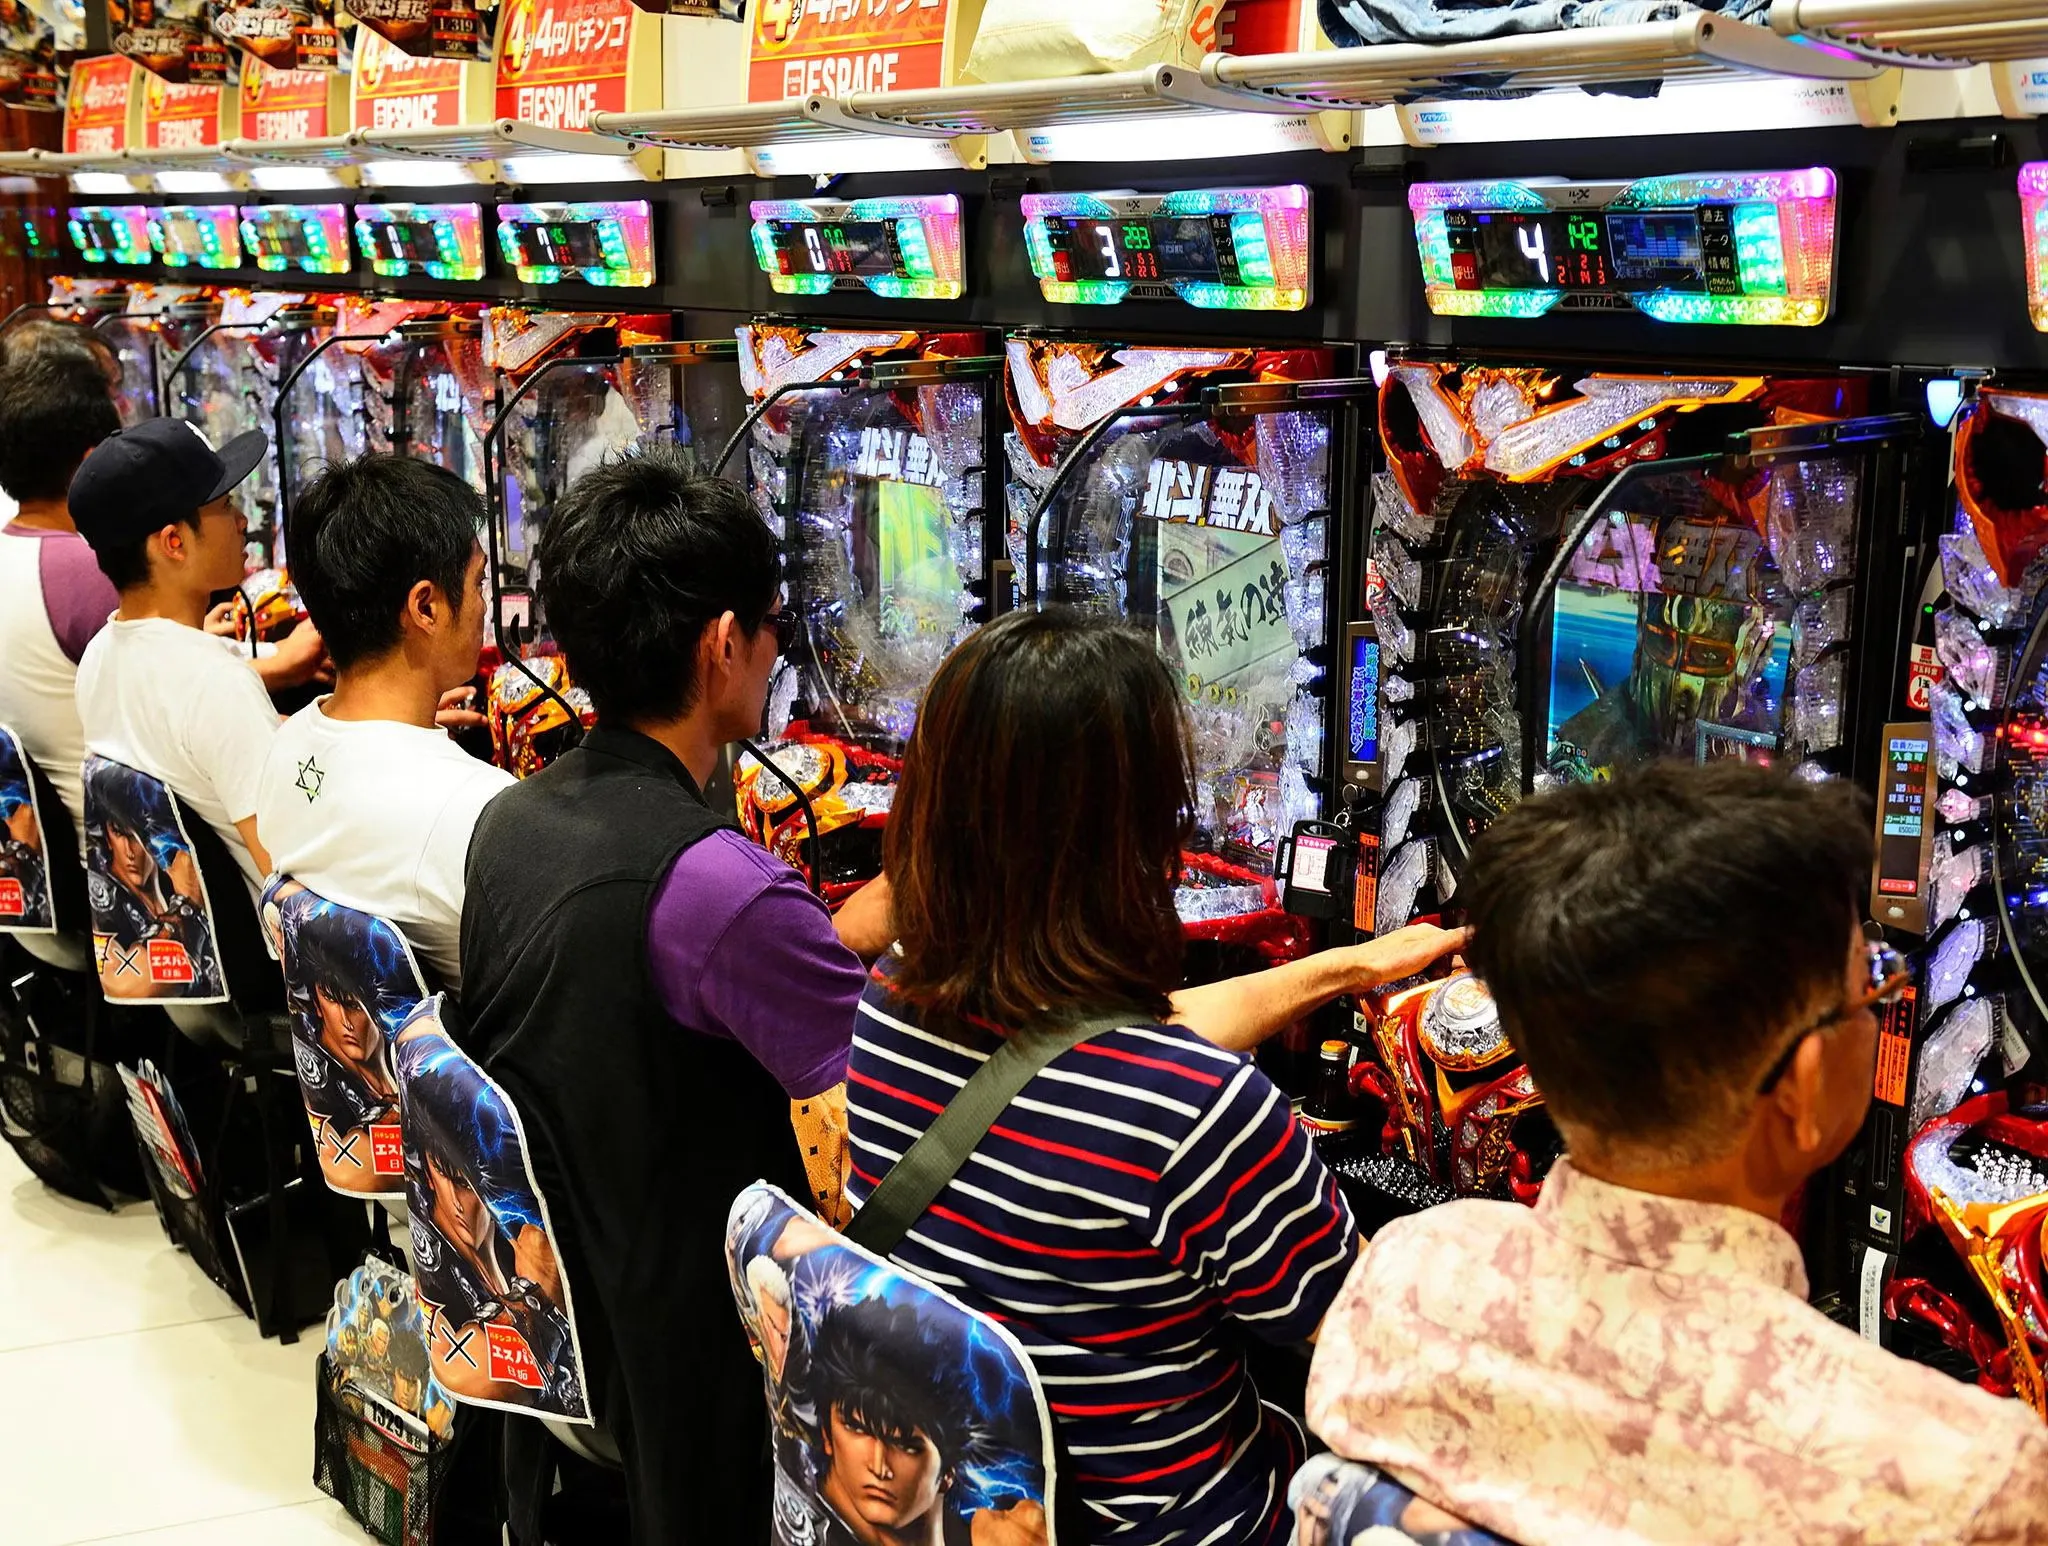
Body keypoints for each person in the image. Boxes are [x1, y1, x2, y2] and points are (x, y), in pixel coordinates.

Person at [1305, 760, 2048, 1545]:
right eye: (1872, 986)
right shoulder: (1966, 1479)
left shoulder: (1404, 1273)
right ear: (1801, 1082)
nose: (1884, 1006)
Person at [848, 607, 1467, 1546]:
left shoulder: (888, 1007)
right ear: (1136, 832)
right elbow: (1379, 1351)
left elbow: (1085, 1054)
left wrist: (1353, 967)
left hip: (970, 1510)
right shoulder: (1200, 1117)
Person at [255, 454, 503, 989]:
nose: (484, 605)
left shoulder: (286, 746)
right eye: (479, 582)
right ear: (426, 607)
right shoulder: (478, 808)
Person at [68, 419, 316, 899]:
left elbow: (200, 756)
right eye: (225, 506)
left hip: (189, 954)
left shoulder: (99, 655)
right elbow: (291, 878)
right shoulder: (214, 684)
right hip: (259, 959)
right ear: (173, 542)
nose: (243, 520)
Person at [0, 323, 124, 843]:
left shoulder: (16, 551)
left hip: (36, 883)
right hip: (110, 877)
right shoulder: (89, 569)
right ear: (93, 461)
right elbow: (176, 705)